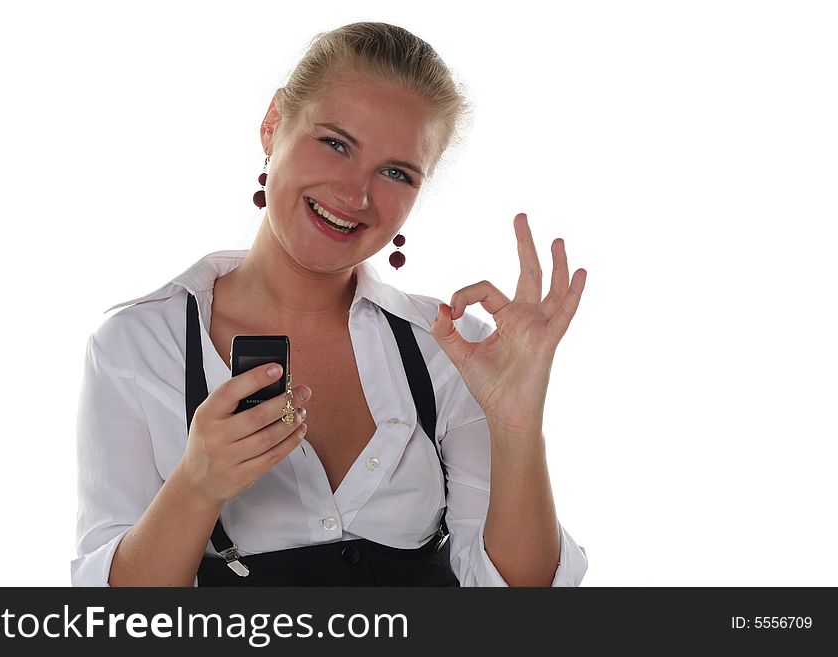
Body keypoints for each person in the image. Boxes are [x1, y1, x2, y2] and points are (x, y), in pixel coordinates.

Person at [72, 21, 589, 587]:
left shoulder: (450, 347)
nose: (355, 195)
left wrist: (516, 426)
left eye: (397, 173)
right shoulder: (139, 345)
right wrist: (197, 484)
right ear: (273, 125)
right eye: (335, 143)